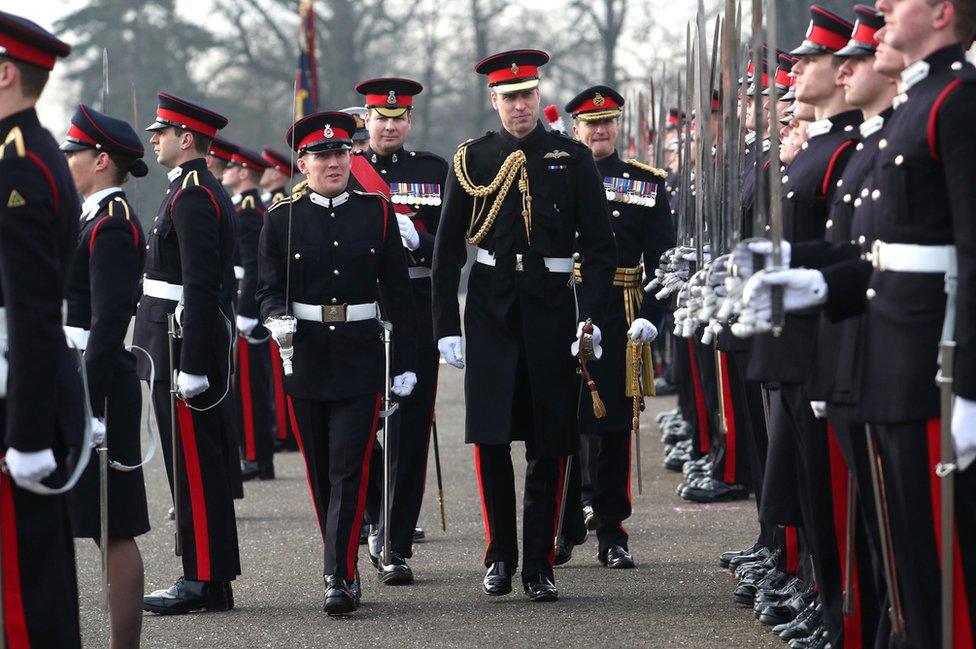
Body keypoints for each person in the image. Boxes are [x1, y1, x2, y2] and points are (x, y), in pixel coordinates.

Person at [743, 1, 976, 645]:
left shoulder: (955, 104)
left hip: (932, 361)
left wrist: (973, 389)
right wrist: (811, 276)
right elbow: (876, 253)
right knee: (907, 559)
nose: (885, 11)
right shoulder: (912, 113)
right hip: (888, 354)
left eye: (901, 2)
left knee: (938, 566)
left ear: (943, 14)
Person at [431, 48, 617, 602]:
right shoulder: (472, 160)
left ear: (540, 97)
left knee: (550, 439)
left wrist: (591, 316)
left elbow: (601, 249)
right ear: (494, 101)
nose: (519, 106)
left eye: (527, 96)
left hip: (552, 307)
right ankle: (499, 558)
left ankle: (539, 563)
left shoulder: (571, 156)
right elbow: (446, 256)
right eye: (509, 98)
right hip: (490, 309)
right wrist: (447, 325)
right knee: (490, 438)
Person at [257, 110, 417, 615]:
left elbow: (397, 292)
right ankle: (342, 558)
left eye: (342, 152)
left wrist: (406, 361)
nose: (334, 161)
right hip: (305, 355)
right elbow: (265, 291)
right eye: (322, 155)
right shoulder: (281, 218)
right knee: (322, 472)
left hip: (359, 353)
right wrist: (276, 317)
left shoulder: (376, 212)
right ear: (302, 163)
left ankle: (339, 575)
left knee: (350, 467)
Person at [558, 84, 675, 569]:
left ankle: (612, 528)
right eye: (590, 123)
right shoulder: (555, 177)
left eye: (607, 122)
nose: (600, 130)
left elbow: (664, 260)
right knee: (560, 423)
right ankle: (561, 526)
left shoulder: (645, 183)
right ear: (575, 129)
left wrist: (652, 315)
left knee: (612, 426)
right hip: (565, 305)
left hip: (622, 311)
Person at [136, 92, 241, 614]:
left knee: (195, 467)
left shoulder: (194, 195)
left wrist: (195, 364)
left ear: (187, 138)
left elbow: (201, 285)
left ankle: (202, 580)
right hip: (174, 341)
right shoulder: (184, 190)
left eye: (162, 132)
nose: (153, 139)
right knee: (192, 467)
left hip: (184, 347)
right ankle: (209, 576)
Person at [0, 11, 81, 647]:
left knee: (25, 601)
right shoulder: (23, 153)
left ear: (5, 74)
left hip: (15, 405)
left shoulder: (19, 165)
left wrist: (25, 435)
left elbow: (28, 310)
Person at [351, 77, 449, 584]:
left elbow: (454, 248)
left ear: (409, 121)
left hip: (416, 304)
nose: (389, 125)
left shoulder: (434, 171)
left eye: (398, 118)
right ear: (365, 120)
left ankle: (395, 540)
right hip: (364, 306)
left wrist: (422, 237)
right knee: (360, 420)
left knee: (410, 428)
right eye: (380, 118)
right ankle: (371, 514)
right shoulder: (344, 168)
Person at [61, 103, 151, 649]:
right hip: (73, 372)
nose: (65, 160)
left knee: (111, 524)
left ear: (99, 160)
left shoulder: (112, 225)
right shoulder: (91, 217)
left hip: (97, 381)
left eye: (73, 152)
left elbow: (108, 321)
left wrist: (90, 405)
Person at [226, 145, 277, 482]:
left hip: (247, 310)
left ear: (245, 173)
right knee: (247, 386)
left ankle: (257, 458)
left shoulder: (247, 211)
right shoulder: (247, 208)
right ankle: (256, 457)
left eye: (232, 166)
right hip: (245, 306)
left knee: (249, 389)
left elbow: (250, 267)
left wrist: (245, 312)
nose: (226, 170)